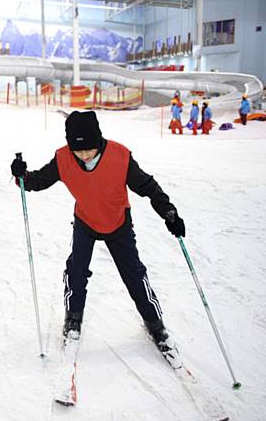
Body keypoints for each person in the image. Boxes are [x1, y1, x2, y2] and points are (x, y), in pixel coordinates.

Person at [10, 111, 186, 355]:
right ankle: (73, 318)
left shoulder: (120, 157)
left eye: (89, 150)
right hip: (86, 222)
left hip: (118, 224)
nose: (83, 155)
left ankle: (155, 323)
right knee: (76, 271)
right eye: (78, 151)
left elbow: (148, 187)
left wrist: (169, 212)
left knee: (134, 275)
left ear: (99, 141)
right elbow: (37, 181)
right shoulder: (64, 158)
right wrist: (21, 175)